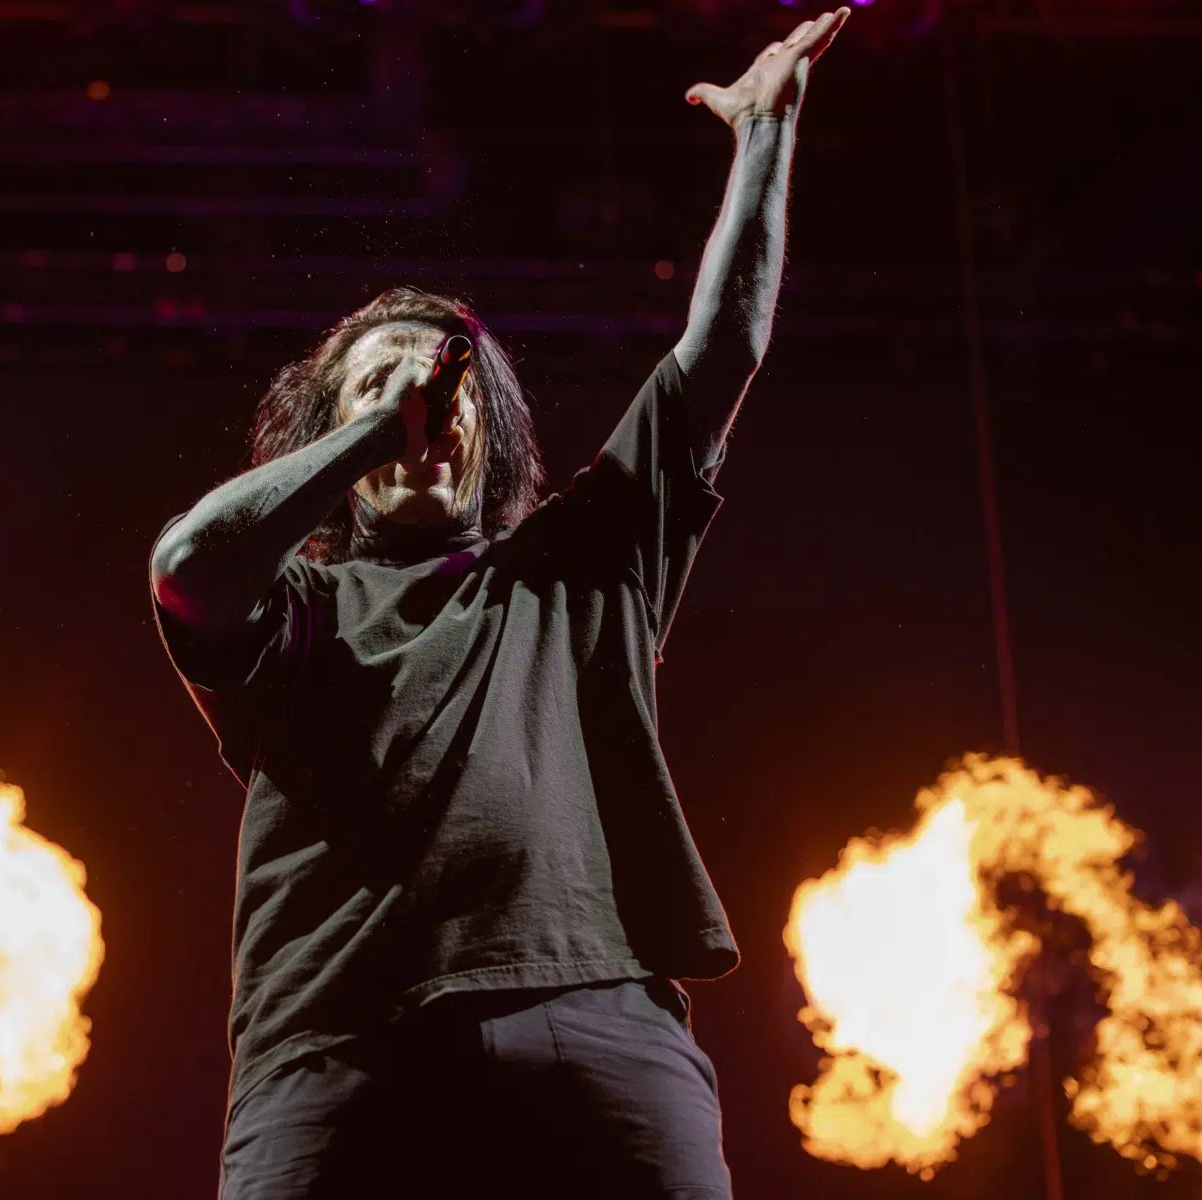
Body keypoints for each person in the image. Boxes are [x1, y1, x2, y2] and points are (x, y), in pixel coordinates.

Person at [148, 11, 849, 1198]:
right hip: (338, 1041)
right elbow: (189, 564)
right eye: (378, 385)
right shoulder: (298, 610)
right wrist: (381, 426)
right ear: (332, 441)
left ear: (493, 433)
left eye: (446, 383)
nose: (421, 400)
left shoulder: (581, 565)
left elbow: (721, 348)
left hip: (594, 1016)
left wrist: (767, 135)